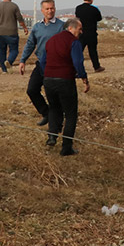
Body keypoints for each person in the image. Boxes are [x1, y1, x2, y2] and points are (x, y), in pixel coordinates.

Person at [42, 18, 89, 156]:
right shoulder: (74, 42)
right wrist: (84, 78)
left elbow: (43, 61)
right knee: (70, 114)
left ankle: (52, 136)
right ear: (70, 28)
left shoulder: (51, 41)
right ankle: (66, 147)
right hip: (65, 80)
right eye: (79, 29)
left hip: (48, 79)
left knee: (54, 108)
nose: (81, 32)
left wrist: (46, 75)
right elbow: (78, 62)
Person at [18, 0, 65, 126]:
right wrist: (23, 60)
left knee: (54, 97)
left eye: (52, 8)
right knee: (32, 90)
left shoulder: (61, 26)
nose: (50, 11)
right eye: (47, 9)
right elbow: (30, 44)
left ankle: (56, 126)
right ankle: (46, 113)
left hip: (56, 67)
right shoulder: (37, 27)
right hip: (41, 65)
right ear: (42, 11)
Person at [0, 0, 28, 73]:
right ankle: (9, 61)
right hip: (12, 32)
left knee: (2, 51)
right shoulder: (14, 6)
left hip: (1, 33)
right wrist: (25, 28)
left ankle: (4, 70)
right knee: (14, 50)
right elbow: (20, 19)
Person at [73, 0, 104, 73]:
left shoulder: (78, 8)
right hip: (92, 33)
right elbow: (99, 18)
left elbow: (77, 17)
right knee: (93, 51)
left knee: (79, 52)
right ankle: (96, 67)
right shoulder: (94, 9)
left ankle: (75, 69)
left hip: (81, 33)